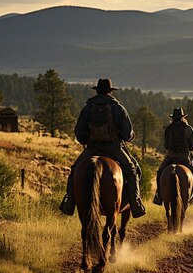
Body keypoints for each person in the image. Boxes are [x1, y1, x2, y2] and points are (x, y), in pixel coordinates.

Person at [60, 79, 146, 218]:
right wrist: (129, 137)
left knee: (75, 169)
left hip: (92, 148)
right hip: (114, 148)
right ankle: (135, 204)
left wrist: (86, 140)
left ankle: (69, 203)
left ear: (97, 91)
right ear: (110, 91)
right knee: (132, 170)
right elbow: (127, 133)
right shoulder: (118, 108)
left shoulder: (88, 108)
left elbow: (79, 132)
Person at [153, 107, 193, 205]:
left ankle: (159, 196)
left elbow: (166, 146)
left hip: (170, 158)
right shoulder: (188, 129)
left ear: (173, 118)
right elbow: (192, 146)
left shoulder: (168, 129)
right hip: (184, 158)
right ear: (182, 117)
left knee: (160, 172)